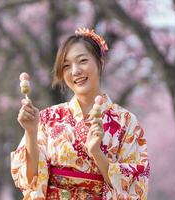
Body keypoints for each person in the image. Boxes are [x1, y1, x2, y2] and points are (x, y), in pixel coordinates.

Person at [11, 28, 150, 199]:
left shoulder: (126, 122)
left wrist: (97, 153)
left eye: (82, 61)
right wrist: (31, 133)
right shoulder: (47, 118)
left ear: (101, 63)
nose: (75, 71)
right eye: (67, 66)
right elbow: (29, 179)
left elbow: (135, 187)